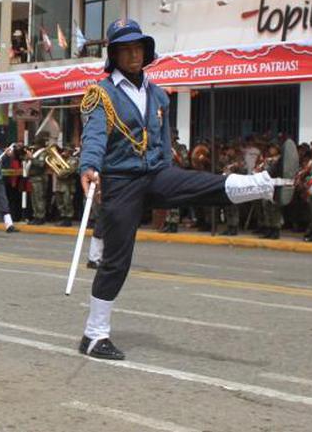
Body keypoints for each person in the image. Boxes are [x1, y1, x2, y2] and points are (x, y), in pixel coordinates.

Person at [78, 19, 278, 360]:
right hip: (122, 181)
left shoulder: (157, 93)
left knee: (196, 184)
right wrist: (89, 166)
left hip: (155, 173)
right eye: (125, 49)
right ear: (113, 54)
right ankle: (94, 336)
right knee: (116, 262)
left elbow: (162, 138)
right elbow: (95, 135)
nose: (133, 54)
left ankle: (251, 186)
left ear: (146, 51)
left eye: (138, 47)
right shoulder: (102, 93)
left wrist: (167, 168)